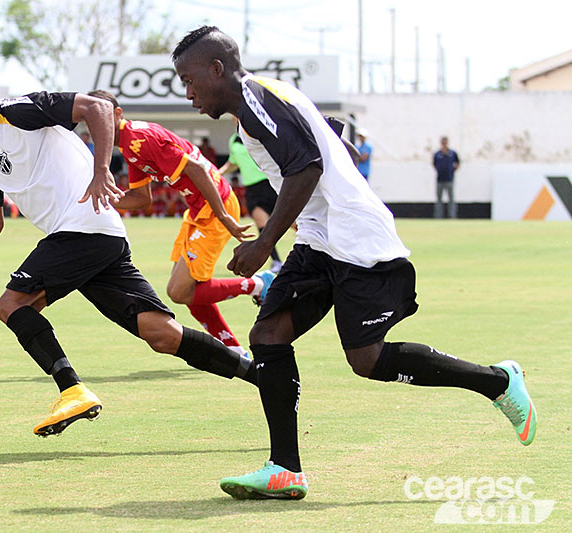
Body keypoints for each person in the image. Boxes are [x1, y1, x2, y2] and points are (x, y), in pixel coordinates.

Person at [172, 25, 536, 501]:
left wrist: (266, 242)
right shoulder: (266, 97)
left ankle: (497, 381)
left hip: (354, 239)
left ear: (217, 69)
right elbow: (338, 142)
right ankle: (285, 469)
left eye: (190, 78)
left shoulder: (256, 101)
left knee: (367, 359)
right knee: (267, 335)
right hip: (321, 238)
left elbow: (307, 166)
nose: (188, 91)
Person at [0, 71, 260, 438]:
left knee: (11, 305)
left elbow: (96, 106)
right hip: (93, 238)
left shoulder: (20, 111)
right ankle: (261, 374)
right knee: (161, 334)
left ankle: (71, 389)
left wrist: (101, 172)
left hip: (83, 226)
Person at [88, 90, 275, 361]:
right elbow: (141, 198)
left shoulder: (140, 138)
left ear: (117, 115)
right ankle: (234, 350)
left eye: (100, 118)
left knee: (178, 290)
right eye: (89, 120)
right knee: (189, 290)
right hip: (199, 210)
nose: (95, 126)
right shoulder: (127, 146)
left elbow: (197, 169)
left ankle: (257, 284)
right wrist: (99, 198)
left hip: (214, 206)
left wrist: (223, 216)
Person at [219, 119, 283, 273]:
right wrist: (217, 173)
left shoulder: (258, 133)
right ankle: (277, 261)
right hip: (251, 189)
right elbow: (233, 162)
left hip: (268, 183)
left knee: (294, 223)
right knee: (262, 223)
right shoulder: (234, 139)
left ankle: (317, 252)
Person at [433, 136, 460, 218]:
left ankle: (452, 215)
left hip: (449, 179)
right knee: (439, 199)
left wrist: (453, 170)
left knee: (451, 199)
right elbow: (434, 164)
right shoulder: (437, 154)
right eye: (443, 143)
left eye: (445, 143)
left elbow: (457, 163)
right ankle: (438, 216)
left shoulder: (452, 153)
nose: (444, 144)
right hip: (440, 179)